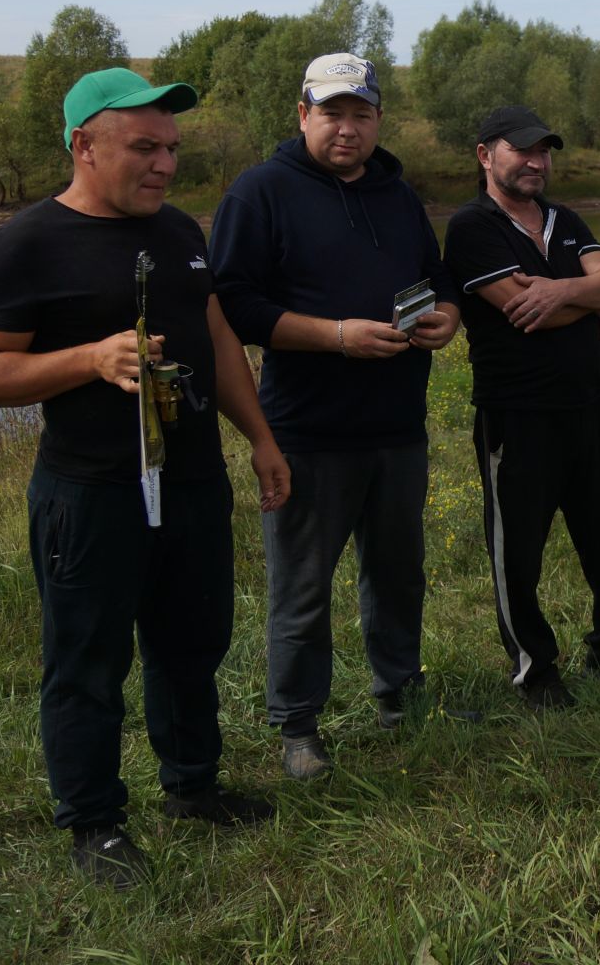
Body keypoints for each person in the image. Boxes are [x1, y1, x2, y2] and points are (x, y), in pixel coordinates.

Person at [0, 67, 291, 889]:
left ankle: (192, 788)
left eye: (171, 148)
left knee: (192, 643)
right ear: (84, 146)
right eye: (145, 147)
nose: (165, 164)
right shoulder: (21, 245)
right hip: (91, 492)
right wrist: (88, 359)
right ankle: (95, 826)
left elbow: (215, 337)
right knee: (87, 664)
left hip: (192, 483)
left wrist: (261, 438)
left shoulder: (179, 232)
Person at [210, 53, 463, 781]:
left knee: (397, 574)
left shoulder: (397, 193)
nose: (347, 129)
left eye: (361, 114)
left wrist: (447, 311)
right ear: (302, 115)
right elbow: (234, 305)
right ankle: (298, 727)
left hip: (397, 426)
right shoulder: (260, 193)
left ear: (379, 119)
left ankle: (399, 693)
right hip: (307, 430)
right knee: (302, 589)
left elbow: (435, 272)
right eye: (332, 113)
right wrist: (337, 336)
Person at [442, 106, 600, 710]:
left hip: (591, 405)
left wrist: (561, 289)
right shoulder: (472, 227)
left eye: (544, 152)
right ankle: (535, 668)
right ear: (485, 155)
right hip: (518, 414)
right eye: (522, 150)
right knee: (519, 550)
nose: (537, 162)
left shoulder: (565, 218)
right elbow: (527, 312)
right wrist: (586, 298)